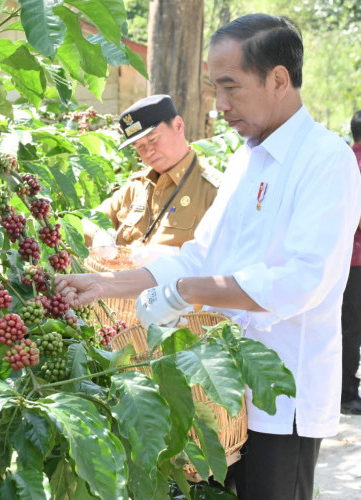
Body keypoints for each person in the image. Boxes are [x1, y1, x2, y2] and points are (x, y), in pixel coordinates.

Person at [58, 14, 361, 500]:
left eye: (230, 88)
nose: (219, 106)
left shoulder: (325, 160)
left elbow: (302, 281)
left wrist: (183, 293)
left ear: (278, 79)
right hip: (220, 389)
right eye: (214, 88)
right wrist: (110, 284)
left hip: (281, 399)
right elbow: (202, 253)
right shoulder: (247, 157)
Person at [83, 94, 221, 266]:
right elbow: (90, 220)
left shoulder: (214, 191)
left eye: (153, 139)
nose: (148, 152)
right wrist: (99, 235)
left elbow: (226, 258)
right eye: (139, 146)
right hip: (122, 290)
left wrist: (177, 257)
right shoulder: (137, 187)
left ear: (178, 126)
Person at [341, 110, 361, 415]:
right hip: (357, 259)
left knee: (348, 326)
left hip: (348, 258)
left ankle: (345, 390)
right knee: (352, 328)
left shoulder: (346, 160)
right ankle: (346, 393)